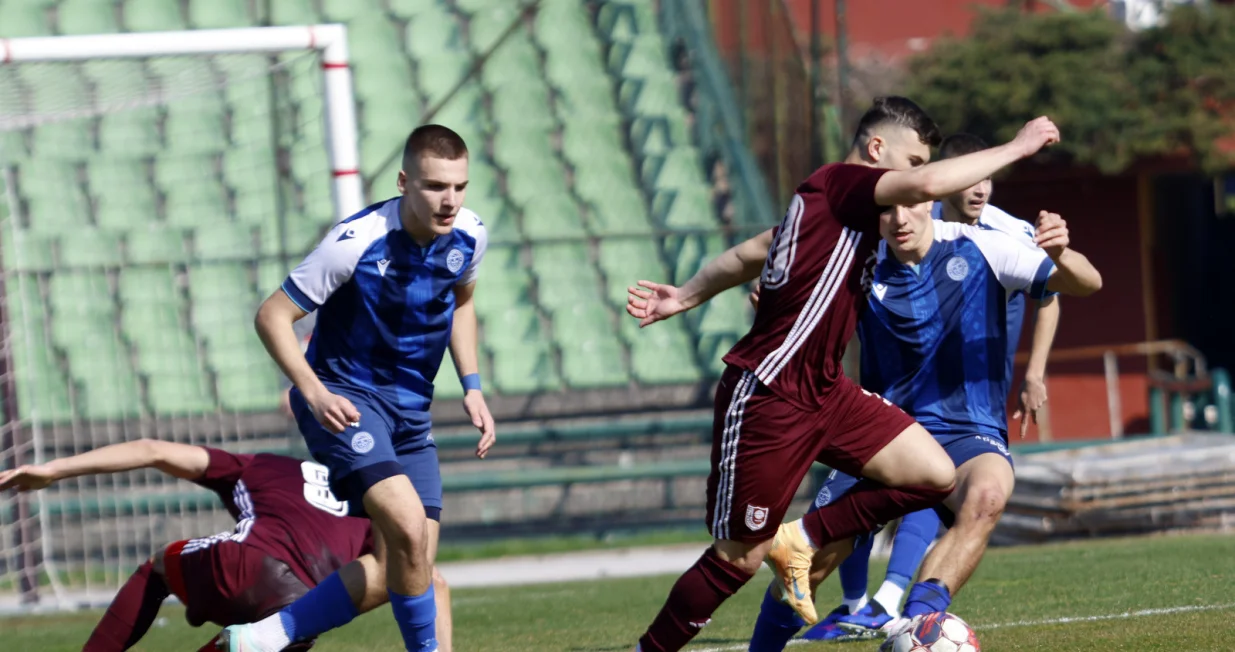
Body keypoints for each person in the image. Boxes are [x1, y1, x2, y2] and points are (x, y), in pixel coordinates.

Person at [624, 96, 1062, 652]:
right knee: (739, 557)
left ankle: (801, 538)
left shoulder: (846, 213)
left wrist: (685, 294)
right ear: (876, 151)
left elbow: (750, 253)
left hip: (827, 392)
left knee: (932, 474)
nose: (915, 179)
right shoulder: (839, 183)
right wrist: (1018, 147)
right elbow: (923, 187)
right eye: (910, 162)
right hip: (770, 392)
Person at [746, 198, 1101, 652]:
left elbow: (1089, 282)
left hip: (967, 432)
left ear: (930, 200)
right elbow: (793, 316)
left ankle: (917, 628)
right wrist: (774, 313)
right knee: (807, 569)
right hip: (886, 438)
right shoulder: (854, 264)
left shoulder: (984, 248)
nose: (899, 219)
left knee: (989, 494)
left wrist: (1061, 254)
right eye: (886, 210)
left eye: (909, 205)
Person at [222, 124, 495, 652]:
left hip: (412, 412)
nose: (450, 201)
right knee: (410, 529)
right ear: (403, 182)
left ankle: (263, 638)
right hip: (347, 401)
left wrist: (473, 385)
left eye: (460, 187)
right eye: (436, 186)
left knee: (404, 564)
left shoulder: (471, 234)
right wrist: (313, 390)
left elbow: (462, 303)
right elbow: (272, 316)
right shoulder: (355, 242)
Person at [796, 132, 1064, 643]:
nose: (979, 186)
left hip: (971, 401)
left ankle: (896, 605)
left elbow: (1056, 287)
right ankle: (857, 605)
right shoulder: (900, 229)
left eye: (987, 175)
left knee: (946, 486)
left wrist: (1034, 373)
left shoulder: (1007, 232)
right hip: (896, 400)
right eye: (969, 174)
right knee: (820, 541)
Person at [0, 439, 411, 651]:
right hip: (300, 614)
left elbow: (151, 451)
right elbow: (393, 572)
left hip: (245, 562)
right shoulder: (370, 500)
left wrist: (52, 470)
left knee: (158, 566)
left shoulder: (262, 464)